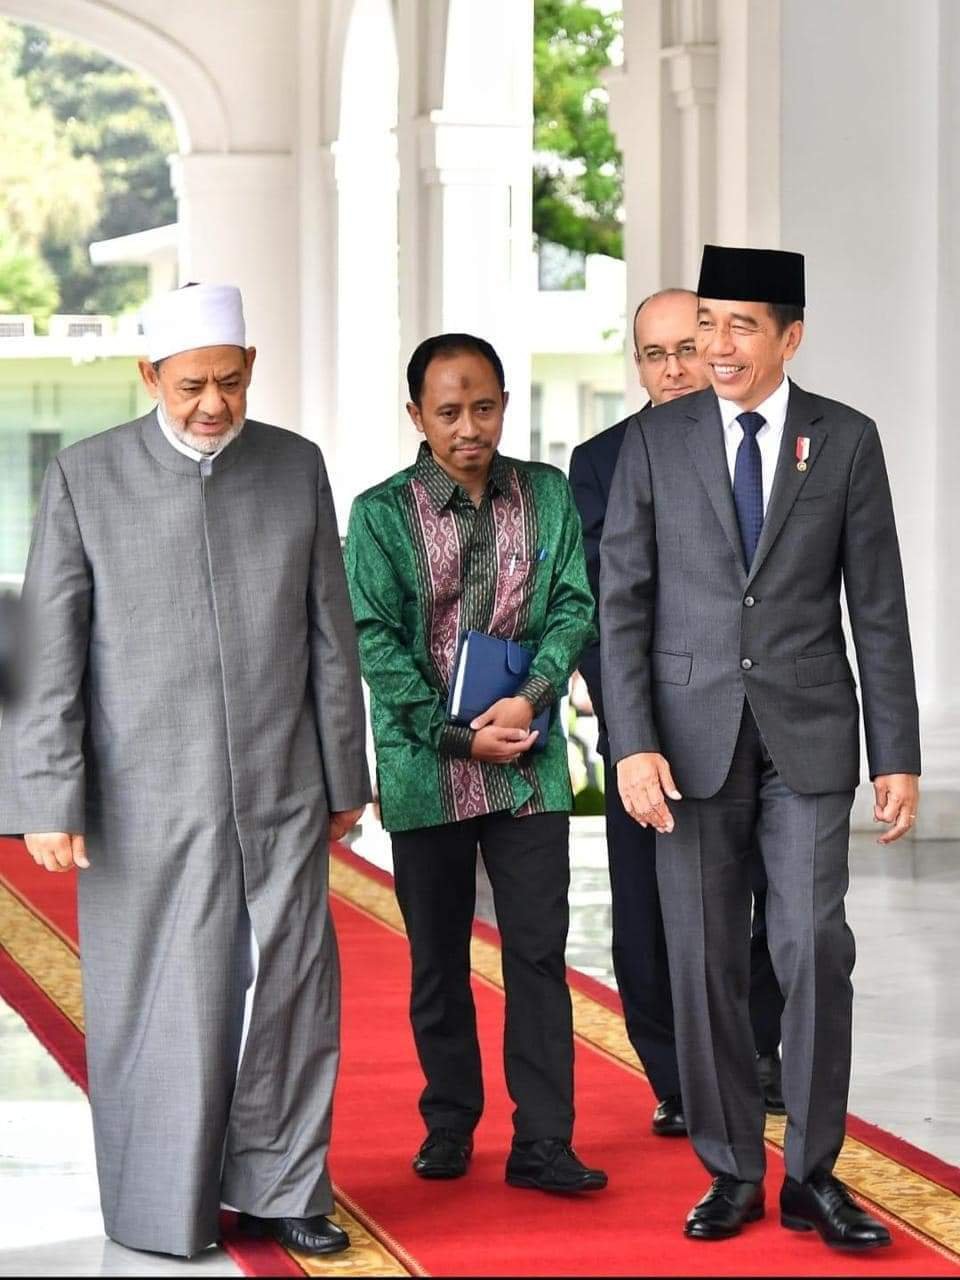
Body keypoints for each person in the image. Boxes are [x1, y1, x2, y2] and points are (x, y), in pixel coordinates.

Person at [0, 283, 371, 1259]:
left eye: (230, 382)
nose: (214, 404)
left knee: (295, 984)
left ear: (251, 367)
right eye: (191, 386)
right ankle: (164, 1205)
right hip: (144, 794)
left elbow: (330, 633)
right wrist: (46, 796)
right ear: (149, 375)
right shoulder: (86, 476)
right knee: (163, 998)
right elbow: (49, 653)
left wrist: (345, 774)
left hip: (283, 780)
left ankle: (286, 1187)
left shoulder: (294, 465)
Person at [600, 246, 920, 1249]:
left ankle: (813, 1174)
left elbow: (877, 605)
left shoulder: (846, 439)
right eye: (707, 323)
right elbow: (622, 603)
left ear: (791, 336)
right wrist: (631, 743)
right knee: (702, 959)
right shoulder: (656, 441)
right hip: (687, 741)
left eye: (740, 325)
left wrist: (896, 750)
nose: (717, 345)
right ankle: (732, 1169)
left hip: (808, 735)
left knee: (813, 943)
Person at [346, 333, 607, 1194]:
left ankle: (544, 1142)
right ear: (416, 415)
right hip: (427, 770)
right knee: (437, 961)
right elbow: (375, 643)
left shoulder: (546, 493)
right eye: (450, 412)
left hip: (528, 764)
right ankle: (450, 1123)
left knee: (538, 954)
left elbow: (573, 606)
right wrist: (456, 737)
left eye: (484, 408)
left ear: (503, 405)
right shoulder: (380, 515)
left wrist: (530, 698)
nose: (470, 428)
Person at [569, 289, 785, 1140]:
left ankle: (756, 1049)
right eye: (654, 355)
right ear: (639, 366)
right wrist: (628, 725)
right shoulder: (602, 460)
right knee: (646, 910)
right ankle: (675, 1074)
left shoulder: (762, 445)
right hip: (647, 720)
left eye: (685, 350)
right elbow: (601, 601)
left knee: (768, 893)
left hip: (755, 716)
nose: (673, 370)